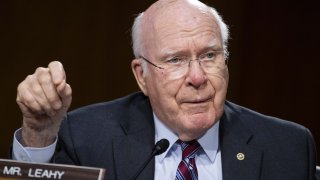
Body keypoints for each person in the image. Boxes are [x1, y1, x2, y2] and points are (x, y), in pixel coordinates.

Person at [11, 0, 317, 179]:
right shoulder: (87, 139)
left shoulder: (288, 147)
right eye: (176, 60)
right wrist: (38, 132)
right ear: (141, 75)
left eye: (209, 55)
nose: (197, 77)